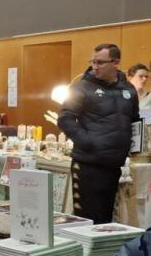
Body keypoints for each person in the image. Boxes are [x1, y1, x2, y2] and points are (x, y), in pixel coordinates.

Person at [58, 43, 140, 224]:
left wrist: (136, 148)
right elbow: (65, 119)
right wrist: (89, 142)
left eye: (100, 62)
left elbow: (134, 120)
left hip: (113, 165)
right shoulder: (81, 87)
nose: (95, 66)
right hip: (88, 164)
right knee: (86, 221)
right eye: (93, 62)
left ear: (116, 62)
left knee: (105, 221)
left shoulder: (128, 90)